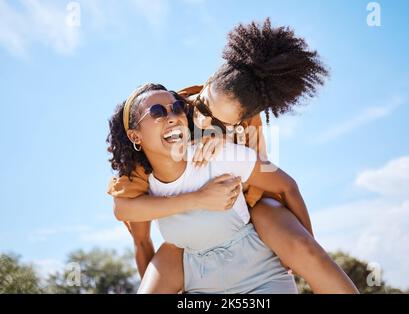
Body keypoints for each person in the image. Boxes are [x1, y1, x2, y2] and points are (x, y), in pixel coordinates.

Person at [107, 19, 358, 294]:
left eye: (217, 123)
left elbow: (279, 184)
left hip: (250, 207)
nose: (202, 120)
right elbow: (129, 213)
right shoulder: (173, 113)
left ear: (237, 123)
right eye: (199, 107)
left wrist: (303, 249)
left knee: (300, 246)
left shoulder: (242, 131)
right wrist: (199, 198)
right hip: (192, 241)